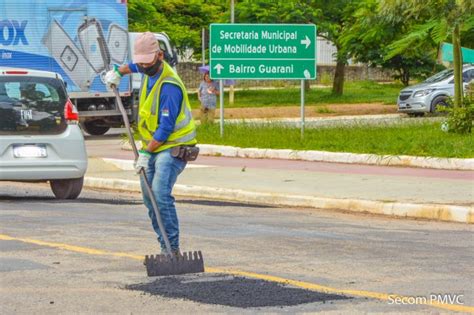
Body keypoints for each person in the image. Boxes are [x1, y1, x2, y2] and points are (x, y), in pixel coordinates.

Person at [104, 32, 196, 256]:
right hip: (154, 146)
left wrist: (144, 152)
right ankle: (163, 244)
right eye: (140, 63)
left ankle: (172, 248)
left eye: (147, 62)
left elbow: (165, 129)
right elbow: (133, 67)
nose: (143, 67)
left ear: (160, 56)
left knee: (160, 194)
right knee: (148, 197)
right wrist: (117, 72)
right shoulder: (146, 66)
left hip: (173, 147)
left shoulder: (170, 86)